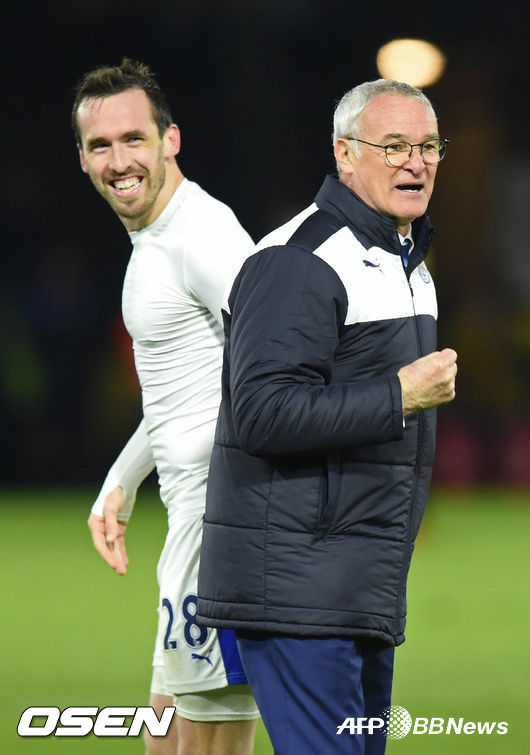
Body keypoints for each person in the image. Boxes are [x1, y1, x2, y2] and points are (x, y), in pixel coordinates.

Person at [197, 78, 457, 754]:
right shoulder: (298, 260)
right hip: (295, 592)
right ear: (345, 153)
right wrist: (399, 396)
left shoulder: (407, 262)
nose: (415, 162)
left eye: (428, 146)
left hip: (355, 586)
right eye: (393, 145)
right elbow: (263, 413)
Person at [72, 58, 259, 755]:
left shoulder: (200, 235)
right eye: (100, 145)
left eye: (134, 139)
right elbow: (185, 393)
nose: (119, 161)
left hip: (222, 537)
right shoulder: (155, 239)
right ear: (83, 158)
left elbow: (278, 357)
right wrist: (122, 478)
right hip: (190, 534)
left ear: (170, 139)